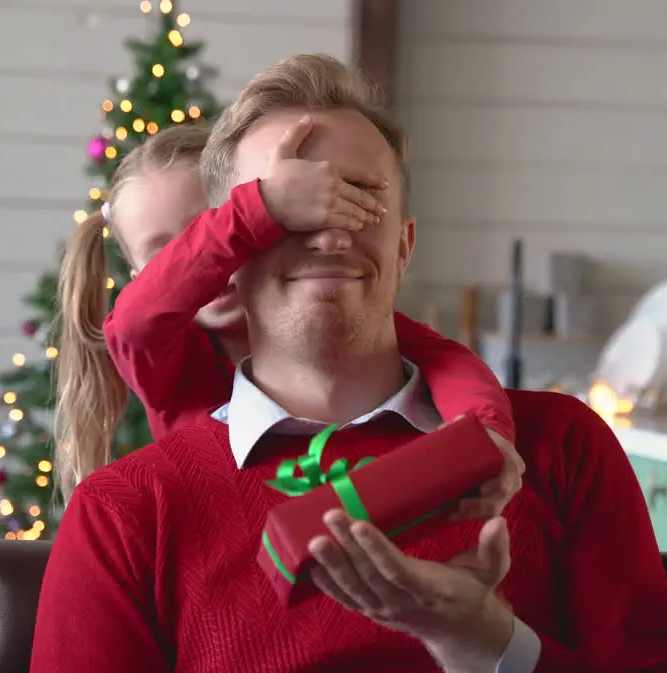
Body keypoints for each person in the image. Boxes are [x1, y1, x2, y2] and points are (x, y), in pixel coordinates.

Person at [28, 54, 667, 673]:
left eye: (362, 199)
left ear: (405, 245)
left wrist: (481, 643)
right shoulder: (124, 512)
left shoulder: (561, 444)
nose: (328, 236)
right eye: (288, 209)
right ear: (223, 264)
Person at [54, 124, 522, 519]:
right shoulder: (173, 364)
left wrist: (485, 430)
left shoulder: (331, 318)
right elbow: (134, 324)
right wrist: (253, 209)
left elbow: (448, 364)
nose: (209, 265)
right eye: (167, 256)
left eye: (209, 227)